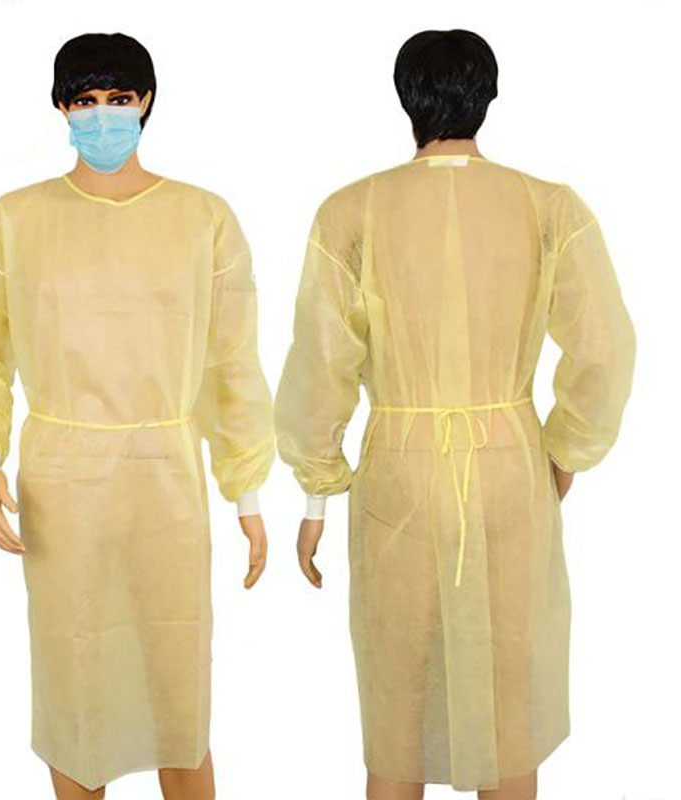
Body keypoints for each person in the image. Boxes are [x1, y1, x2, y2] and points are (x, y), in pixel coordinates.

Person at [274, 29, 635, 800]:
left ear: (406, 97)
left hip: (398, 474)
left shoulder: (350, 213)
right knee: (508, 706)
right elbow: (605, 348)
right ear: (488, 95)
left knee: (397, 703)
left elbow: (320, 365)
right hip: (509, 465)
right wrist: (563, 453)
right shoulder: (549, 208)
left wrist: (317, 491)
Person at [0, 32, 274, 800]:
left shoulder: (203, 218)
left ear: (146, 101)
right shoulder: (16, 220)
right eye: (86, 101)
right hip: (64, 484)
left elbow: (232, 361)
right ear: (62, 108)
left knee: (177, 688)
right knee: (76, 688)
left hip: (166, 480)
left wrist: (247, 489)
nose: (103, 115)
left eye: (119, 99)